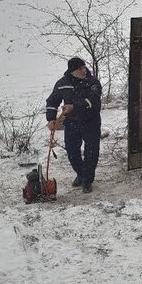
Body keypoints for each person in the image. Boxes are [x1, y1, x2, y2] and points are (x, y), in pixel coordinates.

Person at [46, 57, 102, 193]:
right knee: (72, 152)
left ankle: (87, 180)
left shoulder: (92, 82)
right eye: (80, 69)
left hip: (91, 121)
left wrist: (74, 107)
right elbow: (52, 102)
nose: (84, 71)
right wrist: (51, 119)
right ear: (72, 71)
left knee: (91, 152)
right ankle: (81, 173)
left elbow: (93, 101)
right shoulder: (62, 83)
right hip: (72, 123)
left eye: (84, 67)